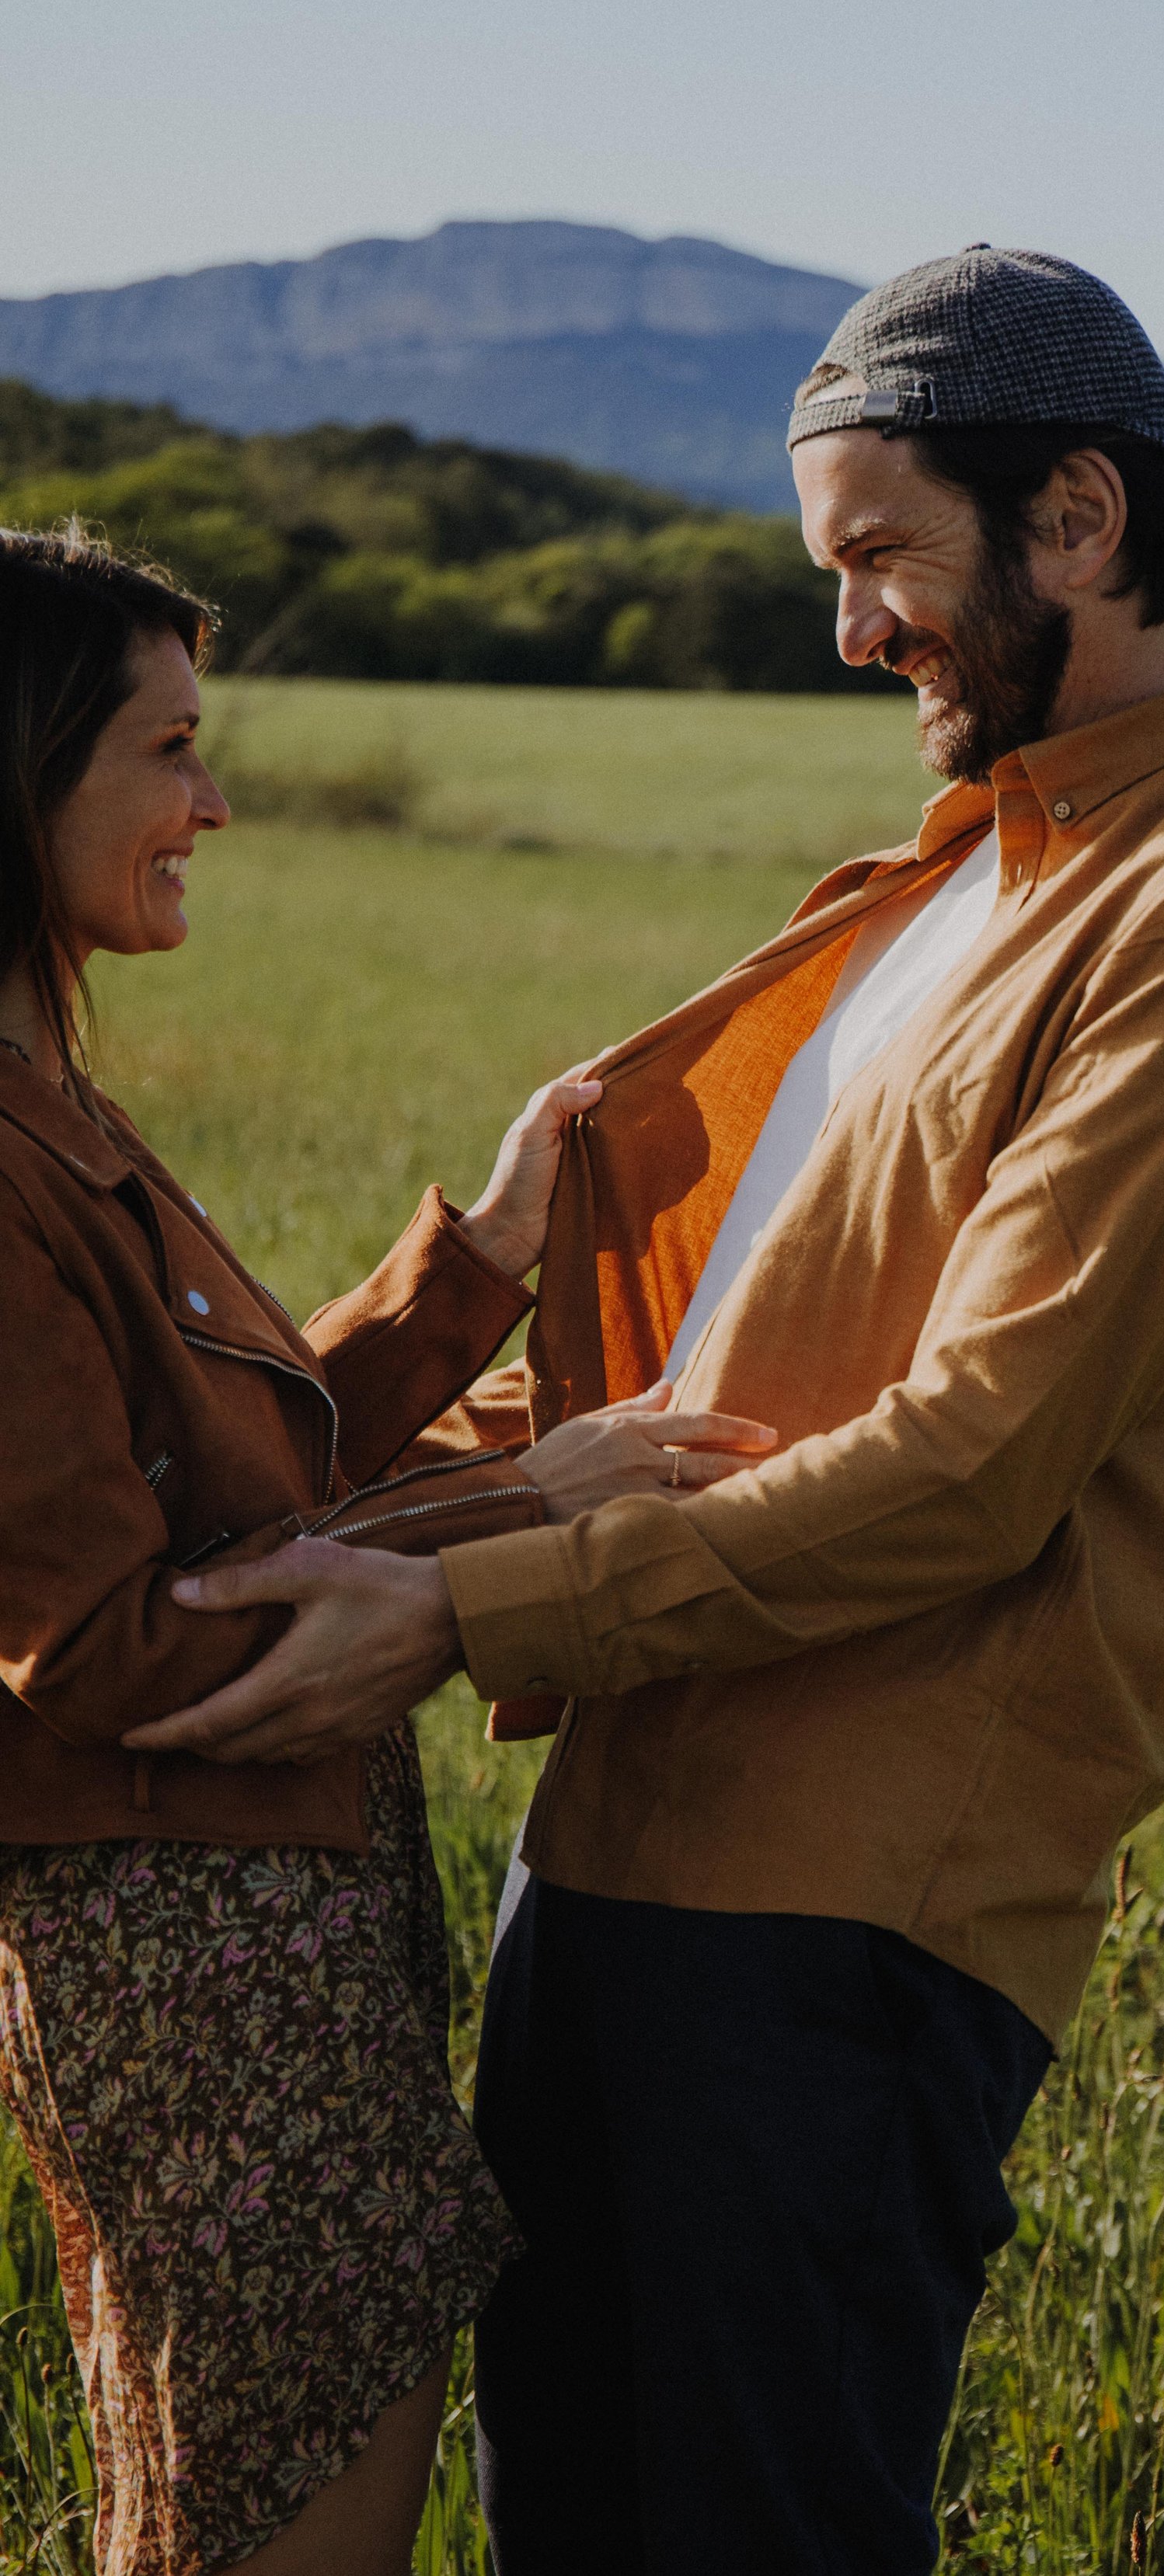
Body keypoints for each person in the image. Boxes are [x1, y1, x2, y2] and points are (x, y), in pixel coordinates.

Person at [137, 249, 1164, 2574]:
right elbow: (708, 1376)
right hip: (619, 1841)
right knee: (575, 2521)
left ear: (1083, 522)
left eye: (881, 558)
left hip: (848, 1914)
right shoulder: (954, 878)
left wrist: (455, 1617)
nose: (850, 633)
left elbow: (977, 1461)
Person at [0, 526, 772, 2576]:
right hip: (197, 1990)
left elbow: (232, 1483)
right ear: (20, 771)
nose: (213, 804)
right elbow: (103, 1649)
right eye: (169, 752)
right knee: (274, 2535)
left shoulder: (46, 1101)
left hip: (265, 1962)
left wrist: (488, 1255)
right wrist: (523, 1506)